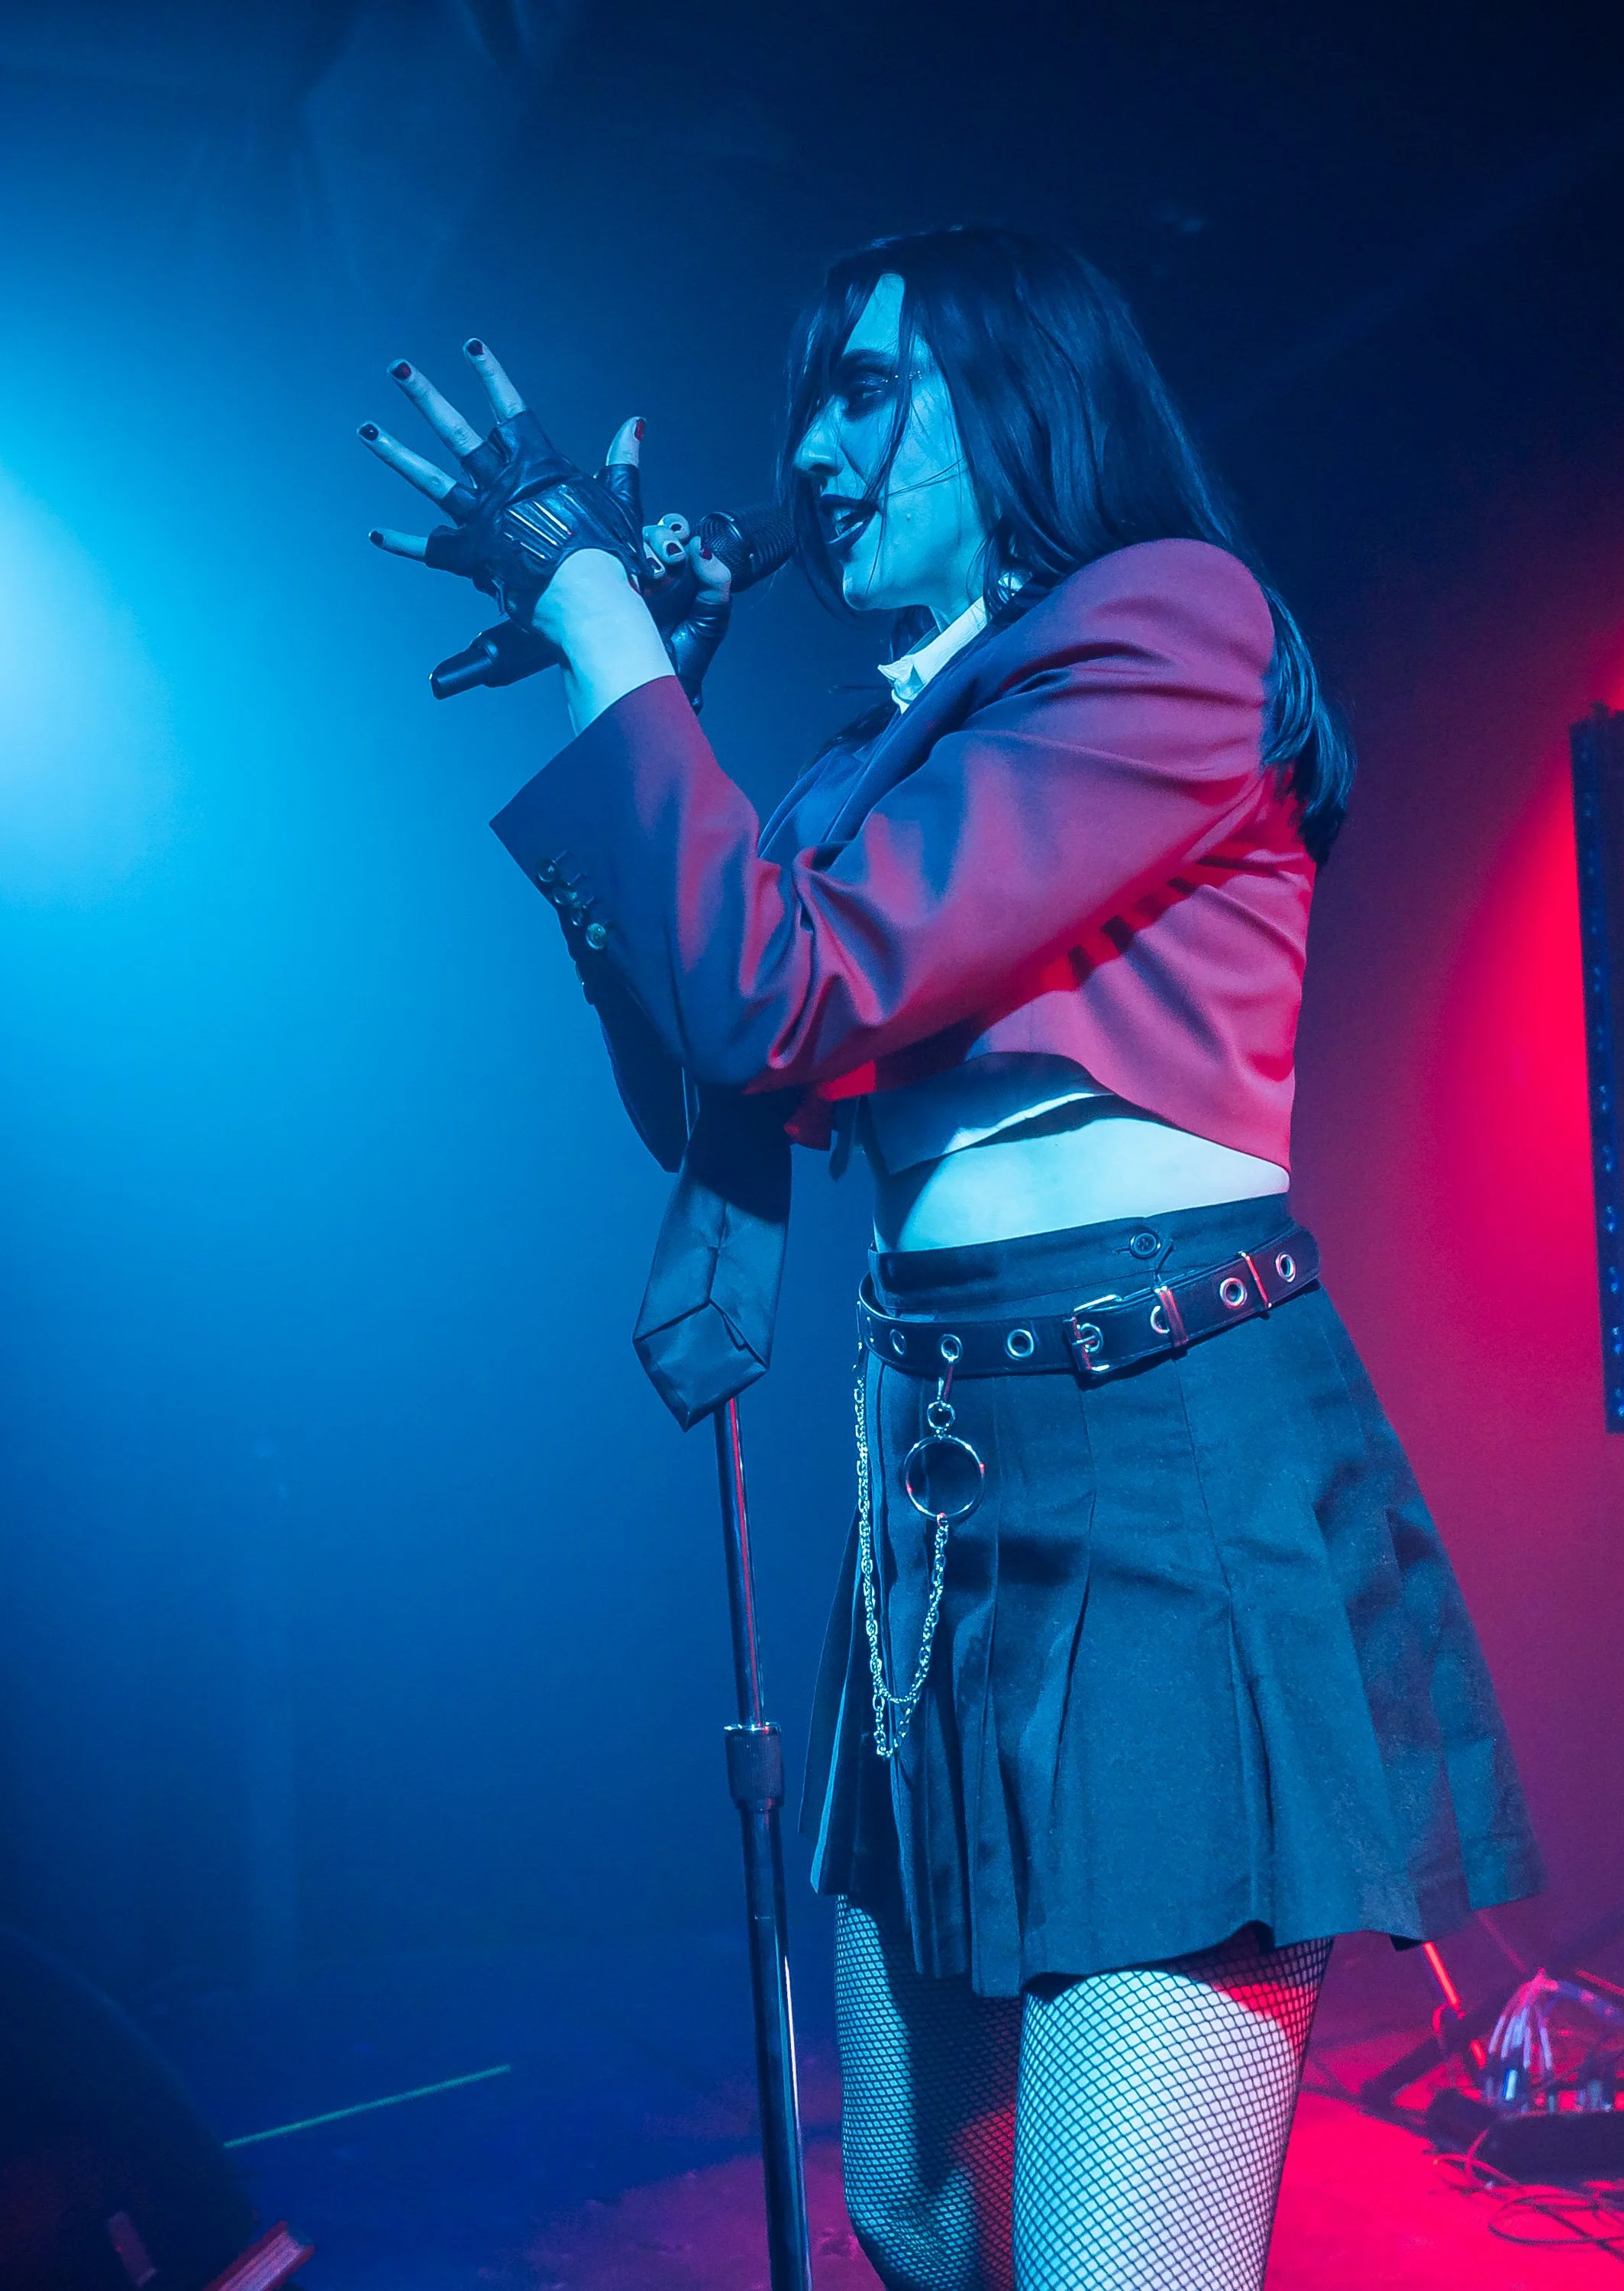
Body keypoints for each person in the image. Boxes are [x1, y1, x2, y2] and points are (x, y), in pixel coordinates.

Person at [363, 225, 1542, 2291]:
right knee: (915, 2208)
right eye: (801, 398)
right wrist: (646, 684)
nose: (810, 450)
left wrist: (604, 628)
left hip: (1167, 1464)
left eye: (864, 390)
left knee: (1122, 2266)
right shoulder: (864, 765)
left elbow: (786, 999)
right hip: (941, 1493)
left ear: (1021, 400)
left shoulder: (1166, 624)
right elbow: (717, 1082)